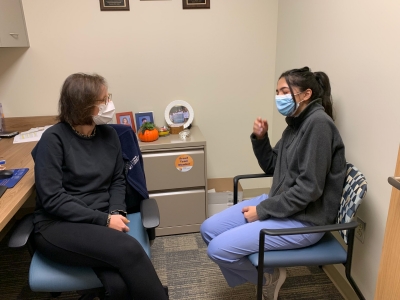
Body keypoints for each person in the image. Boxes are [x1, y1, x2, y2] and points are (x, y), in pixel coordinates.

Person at [200, 67, 346, 299]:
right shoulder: (296, 124)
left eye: (284, 91)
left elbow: (309, 188)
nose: (279, 97)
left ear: (306, 94)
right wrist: (261, 139)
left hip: (306, 220)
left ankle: (266, 279)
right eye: (277, 92)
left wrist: (262, 211)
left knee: (218, 249)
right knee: (208, 229)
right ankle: (269, 273)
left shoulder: (319, 125)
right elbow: (272, 166)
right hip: (281, 204)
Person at [31, 73, 168, 300]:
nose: (109, 105)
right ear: (84, 106)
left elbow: (117, 180)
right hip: (58, 225)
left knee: (118, 285)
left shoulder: (109, 135)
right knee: (130, 249)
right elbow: (53, 199)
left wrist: (116, 211)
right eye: (104, 100)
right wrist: (104, 220)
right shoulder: (53, 139)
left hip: (100, 220)